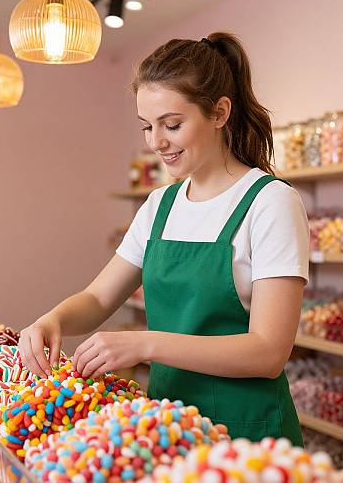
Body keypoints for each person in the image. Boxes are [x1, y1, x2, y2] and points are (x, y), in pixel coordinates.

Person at [19, 32, 309, 445]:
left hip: (248, 437)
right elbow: (99, 298)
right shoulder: (161, 205)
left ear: (220, 112)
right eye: (147, 127)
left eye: (172, 125)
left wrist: (146, 345)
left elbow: (268, 352)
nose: (157, 142)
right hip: (167, 430)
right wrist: (53, 320)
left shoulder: (270, 203)